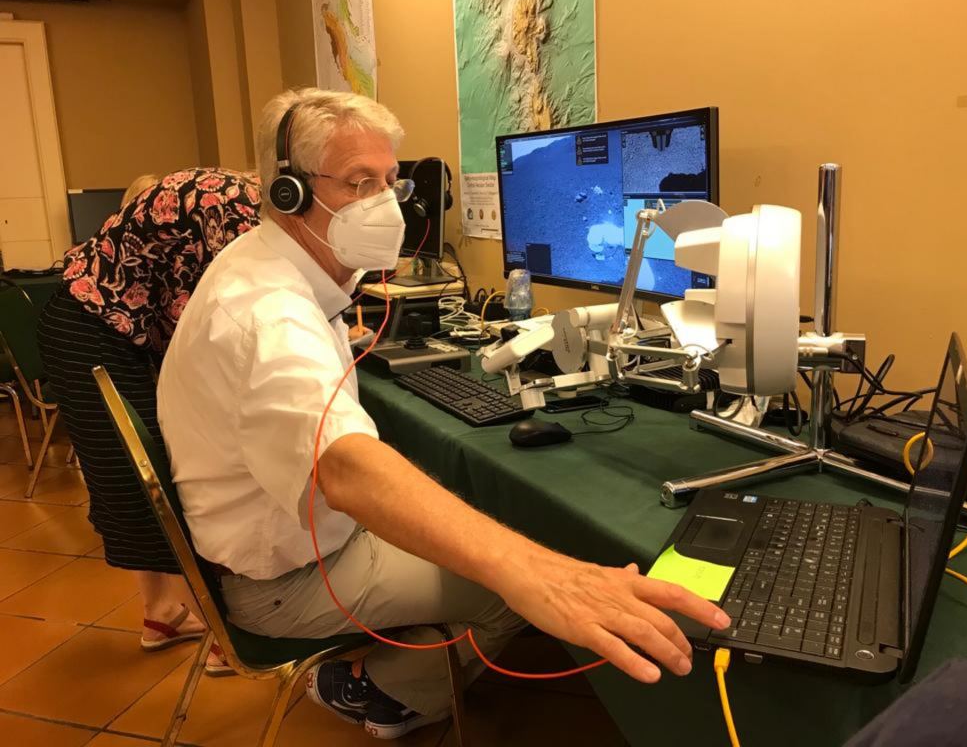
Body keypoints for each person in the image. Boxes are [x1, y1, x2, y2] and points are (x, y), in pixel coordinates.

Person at [157, 88, 729, 740]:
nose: (381, 203)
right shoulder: (268, 316)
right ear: (287, 192)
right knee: (508, 580)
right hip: (290, 581)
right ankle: (376, 691)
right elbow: (343, 467)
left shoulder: (257, 263)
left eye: (390, 182)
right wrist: (537, 574)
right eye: (357, 182)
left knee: (477, 518)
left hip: (270, 542)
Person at [36, 168, 261, 670]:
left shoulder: (240, 196)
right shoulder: (241, 212)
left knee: (137, 476)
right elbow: (213, 319)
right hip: (95, 330)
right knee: (147, 479)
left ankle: (162, 612)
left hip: (99, 326)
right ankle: (230, 639)